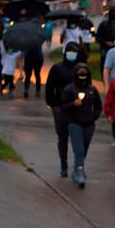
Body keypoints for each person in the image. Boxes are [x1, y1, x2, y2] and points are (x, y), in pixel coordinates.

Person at [59, 63, 102, 188]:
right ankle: (80, 173)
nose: (82, 75)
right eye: (80, 73)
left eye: (85, 73)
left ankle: (76, 170)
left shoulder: (92, 90)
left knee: (84, 150)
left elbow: (98, 106)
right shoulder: (69, 89)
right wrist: (73, 104)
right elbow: (63, 106)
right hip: (74, 123)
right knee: (79, 150)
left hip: (89, 124)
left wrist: (94, 117)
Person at [46, 43, 81, 177]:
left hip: (76, 108)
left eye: (74, 51)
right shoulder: (57, 68)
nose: (72, 53)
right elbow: (50, 86)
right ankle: (63, 164)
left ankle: (78, 165)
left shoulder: (80, 69)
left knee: (77, 138)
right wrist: (52, 104)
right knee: (63, 137)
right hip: (60, 107)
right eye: (69, 51)